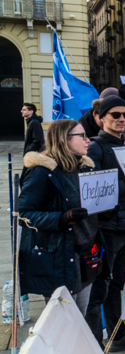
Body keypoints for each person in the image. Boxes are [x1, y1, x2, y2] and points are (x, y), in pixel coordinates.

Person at [85, 95, 125, 351]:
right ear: (101, 119)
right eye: (115, 115)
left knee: (116, 286)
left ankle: (116, 336)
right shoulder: (96, 148)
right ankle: (94, 346)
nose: (122, 119)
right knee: (100, 288)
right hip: (107, 230)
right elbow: (93, 192)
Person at [18, 120, 100, 316]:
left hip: (86, 252)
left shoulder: (85, 167)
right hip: (60, 255)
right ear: (64, 139)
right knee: (63, 321)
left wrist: (105, 210)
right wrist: (61, 218)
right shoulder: (42, 172)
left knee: (81, 316)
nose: (88, 140)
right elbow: (25, 214)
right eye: (82, 136)